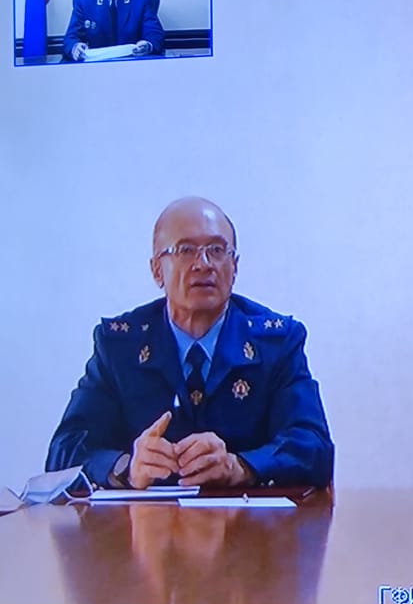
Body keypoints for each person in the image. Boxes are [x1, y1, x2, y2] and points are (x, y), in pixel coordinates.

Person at [46, 197, 334, 489]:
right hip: (144, 518)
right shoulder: (120, 346)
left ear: (234, 266)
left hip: (244, 516)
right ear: (157, 270)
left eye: (217, 250)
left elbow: (314, 447)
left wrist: (241, 466)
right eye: (185, 250)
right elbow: (64, 451)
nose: (204, 264)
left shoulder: (277, 342)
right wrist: (126, 467)